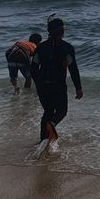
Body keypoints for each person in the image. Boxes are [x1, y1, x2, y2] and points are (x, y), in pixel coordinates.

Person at [30, 16, 83, 148]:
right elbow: (73, 68)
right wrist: (78, 87)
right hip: (58, 85)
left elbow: (33, 68)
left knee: (47, 111)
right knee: (62, 111)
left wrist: (38, 83)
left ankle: (43, 140)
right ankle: (52, 124)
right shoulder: (66, 48)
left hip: (43, 85)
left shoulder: (40, 47)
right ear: (62, 31)